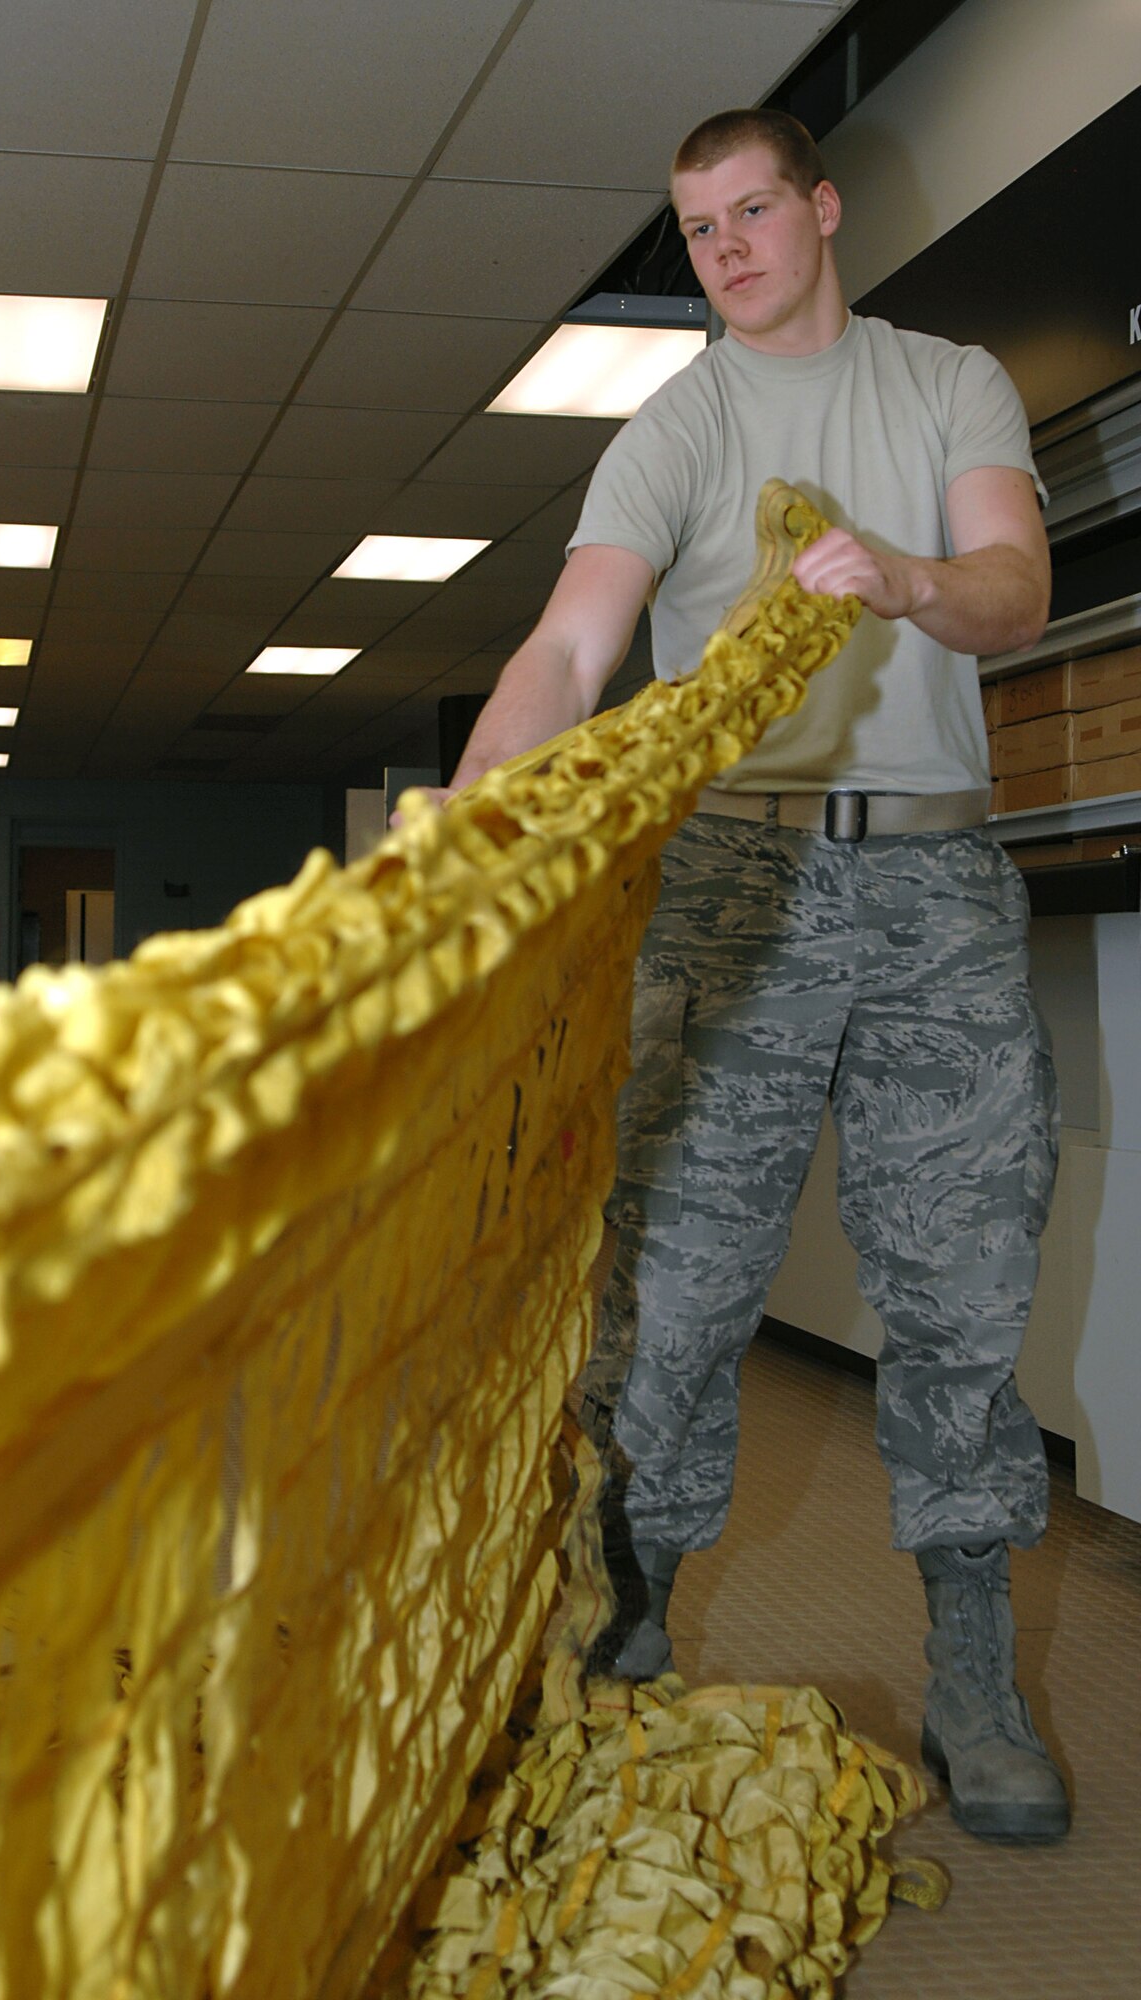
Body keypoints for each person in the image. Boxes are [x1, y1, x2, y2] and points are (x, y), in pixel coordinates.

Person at [432, 106, 1067, 1846]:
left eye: (750, 213)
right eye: (697, 229)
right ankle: (620, 1630)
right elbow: (572, 641)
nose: (723, 250)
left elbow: (1014, 588)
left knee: (964, 1285)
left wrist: (909, 578)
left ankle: (975, 1676)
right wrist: (474, 821)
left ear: (822, 208)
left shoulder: (949, 383)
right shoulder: (679, 425)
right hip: (732, 884)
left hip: (935, 880)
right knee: (674, 1290)